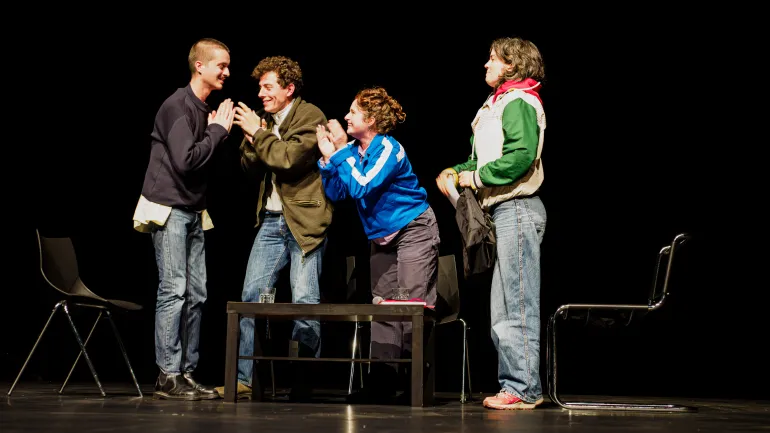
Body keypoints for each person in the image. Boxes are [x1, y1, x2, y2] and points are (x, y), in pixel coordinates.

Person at [436, 36, 547, 410]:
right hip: (501, 211)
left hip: (517, 207)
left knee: (515, 302)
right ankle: (516, 385)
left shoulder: (519, 100)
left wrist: (478, 178)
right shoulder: (495, 104)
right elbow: (481, 157)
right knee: (502, 305)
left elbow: (520, 156)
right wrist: (457, 170)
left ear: (512, 65)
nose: (486, 65)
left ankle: (524, 388)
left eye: (492, 60)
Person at [214, 56, 331, 400]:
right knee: (251, 297)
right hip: (270, 220)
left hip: (305, 221)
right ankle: (245, 379)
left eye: (268, 87)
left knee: (304, 300)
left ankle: (303, 380)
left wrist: (259, 134)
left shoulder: (310, 116)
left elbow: (289, 160)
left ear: (288, 89)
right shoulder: (263, 120)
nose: (261, 94)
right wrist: (253, 141)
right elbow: (251, 170)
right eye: (260, 88)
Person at [317, 87, 440, 402]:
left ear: (370, 120)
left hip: (413, 228)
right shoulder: (356, 151)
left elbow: (362, 185)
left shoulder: (387, 147)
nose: (346, 116)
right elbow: (338, 193)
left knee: (412, 307)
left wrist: (340, 152)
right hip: (382, 238)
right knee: (383, 307)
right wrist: (329, 162)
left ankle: (416, 385)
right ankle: (382, 382)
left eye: (353, 112)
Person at [132, 38, 234, 400]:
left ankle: (185, 372)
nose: (226, 71)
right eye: (220, 65)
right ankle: (167, 374)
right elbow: (186, 161)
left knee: (197, 294)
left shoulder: (201, 108)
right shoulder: (177, 106)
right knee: (173, 290)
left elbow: (202, 164)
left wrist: (216, 132)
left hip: (192, 209)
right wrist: (218, 131)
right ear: (200, 66)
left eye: (227, 65)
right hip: (170, 208)